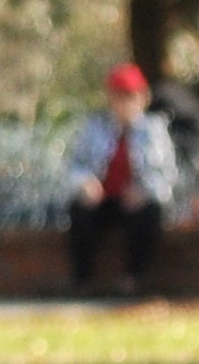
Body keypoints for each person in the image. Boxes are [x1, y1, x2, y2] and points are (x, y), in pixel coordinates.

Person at [58, 63, 177, 294]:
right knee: (79, 211)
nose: (124, 102)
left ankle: (132, 279)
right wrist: (85, 183)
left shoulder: (154, 130)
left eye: (130, 96)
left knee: (150, 213)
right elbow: (75, 165)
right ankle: (83, 281)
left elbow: (167, 174)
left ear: (142, 98)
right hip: (102, 201)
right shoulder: (94, 127)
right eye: (118, 96)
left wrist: (144, 191)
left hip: (136, 201)